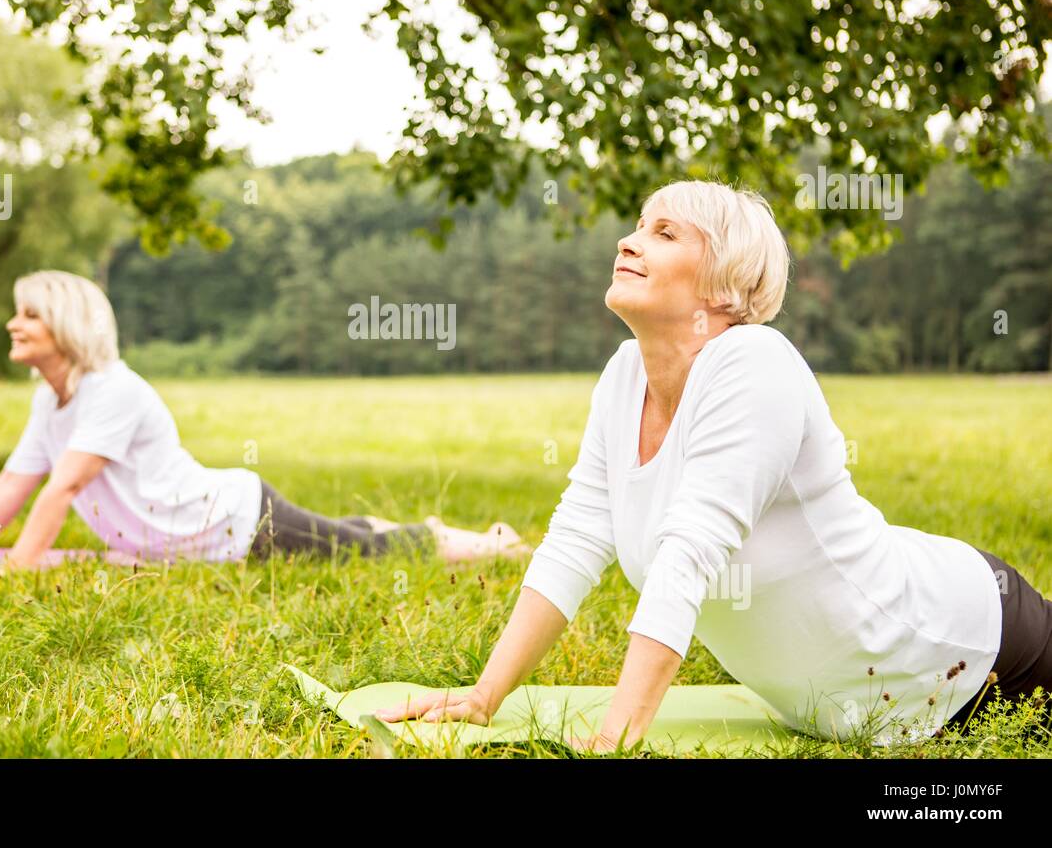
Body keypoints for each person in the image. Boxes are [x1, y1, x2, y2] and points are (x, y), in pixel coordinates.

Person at [376, 180, 1052, 750]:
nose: (629, 240)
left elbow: (688, 557)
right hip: (841, 710)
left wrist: (616, 738)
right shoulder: (623, 376)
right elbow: (576, 539)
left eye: (664, 233)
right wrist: (483, 697)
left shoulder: (754, 363)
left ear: (725, 282)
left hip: (973, 643)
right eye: (638, 225)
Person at [0, 270, 529, 570]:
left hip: (239, 523)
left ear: (65, 324)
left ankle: (492, 546)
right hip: (212, 526)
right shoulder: (51, 401)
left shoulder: (112, 390)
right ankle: (403, 526)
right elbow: (12, 485)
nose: (12, 324)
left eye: (29, 315)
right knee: (348, 532)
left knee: (367, 554)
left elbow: (64, 486)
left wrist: (19, 570)